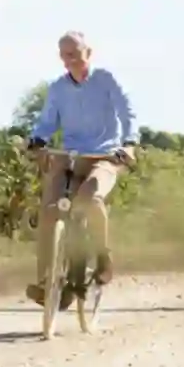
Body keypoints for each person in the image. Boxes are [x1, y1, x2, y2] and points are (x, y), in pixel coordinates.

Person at [26, 30, 139, 310]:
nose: (71, 60)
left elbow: (127, 113)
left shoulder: (106, 80)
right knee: (50, 209)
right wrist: (37, 139)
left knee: (89, 197)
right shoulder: (58, 88)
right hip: (71, 156)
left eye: (75, 54)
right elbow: (47, 122)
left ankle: (103, 256)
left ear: (88, 53)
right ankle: (48, 283)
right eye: (65, 55)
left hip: (105, 155)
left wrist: (130, 144)